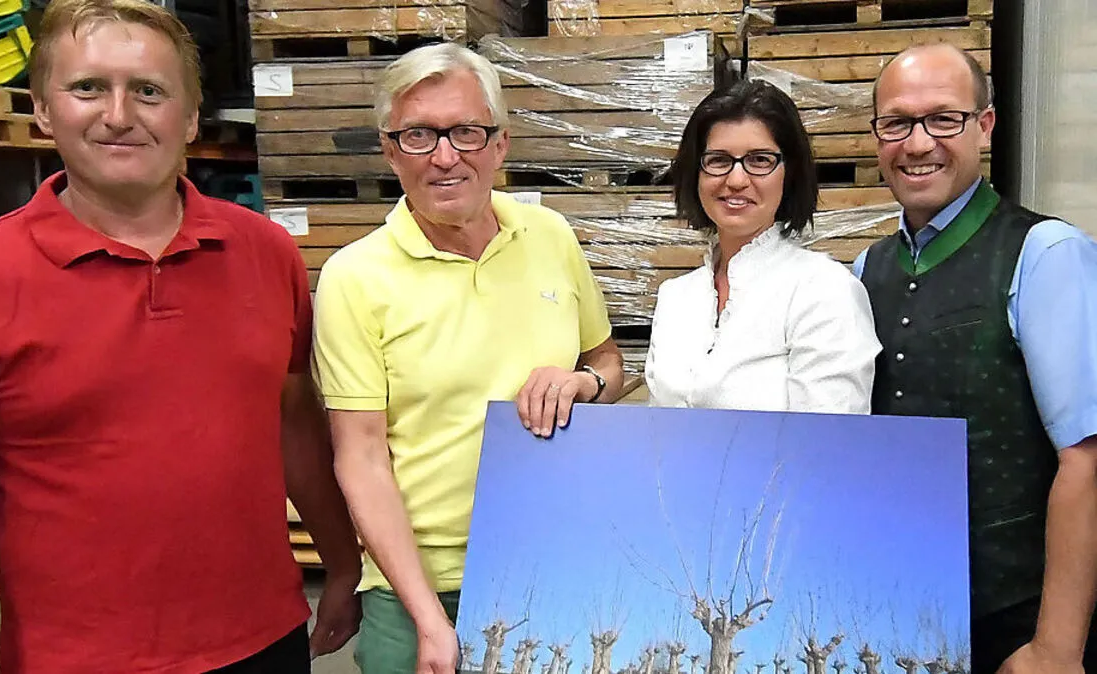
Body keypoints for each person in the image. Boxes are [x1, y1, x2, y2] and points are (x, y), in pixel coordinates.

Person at [0, 0, 362, 671]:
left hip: (264, 643)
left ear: (191, 116)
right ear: (43, 109)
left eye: (149, 91)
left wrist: (343, 565)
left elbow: (295, 421)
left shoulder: (265, 253)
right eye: (88, 88)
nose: (119, 115)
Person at [311, 42, 625, 674]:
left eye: (465, 132)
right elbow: (361, 457)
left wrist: (584, 384)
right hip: (418, 584)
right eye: (419, 135)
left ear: (501, 144)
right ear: (390, 150)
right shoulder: (354, 278)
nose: (446, 156)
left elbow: (611, 364)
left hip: (555, 563)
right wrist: (430, 619)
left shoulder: (551, 237)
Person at [854, 43, 1097, 674]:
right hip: (904, 618)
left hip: (1014, 627)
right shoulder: (865, 271)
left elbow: (1086, 458)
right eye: (897, 122)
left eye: (943, 119)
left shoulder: (1045, 253)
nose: (917, 143)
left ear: (984, 125)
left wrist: (1056, 648)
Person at [645, 79, 880, 414]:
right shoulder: (675, 297)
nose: (737, 180)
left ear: (790, 173)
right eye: (717, 160)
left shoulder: (824, 290)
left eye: (759, 160)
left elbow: (829, 446)